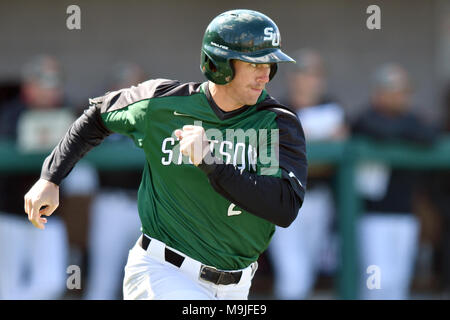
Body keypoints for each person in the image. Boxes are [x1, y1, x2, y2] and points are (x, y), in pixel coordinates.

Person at [23, 9, 307, 300]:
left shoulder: (277, 122)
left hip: (236, 286)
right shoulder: (161, 103)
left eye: (270, 63)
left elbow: (283, 208)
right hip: (163, 271)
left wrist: (212, 163)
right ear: (220, 64)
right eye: (254, 63)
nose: (265, 74)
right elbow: (97, 115)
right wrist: (51, 177)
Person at [352, 63, 437, 299]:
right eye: (393, 91)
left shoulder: (412, 120)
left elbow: (429, 135)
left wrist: (404, 131)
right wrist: (404, 133)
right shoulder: (365, 119)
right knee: (376, 285)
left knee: (398, 285)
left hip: (406, 216)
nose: (400, 97)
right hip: (372, 217)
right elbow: (379, 130)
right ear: (378, 93)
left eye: (403, 92)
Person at [268, 49, 347, 299]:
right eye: (303, 74)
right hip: (285, 199)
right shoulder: (278, 108)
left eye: (314, 75)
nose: (309, 80)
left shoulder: (332, 107)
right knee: (294, 279)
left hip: (319, 198)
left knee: (308, 275)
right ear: (293, 78)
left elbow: (334, 160)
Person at [0, 55, 69, 299]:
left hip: (49, 215)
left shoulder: (67, 112)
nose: (51, 89)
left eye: (55, 83)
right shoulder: (12, 112)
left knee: (50, 283)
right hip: (11, 213)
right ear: (29, 86)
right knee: (6, 288)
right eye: (44, 82)